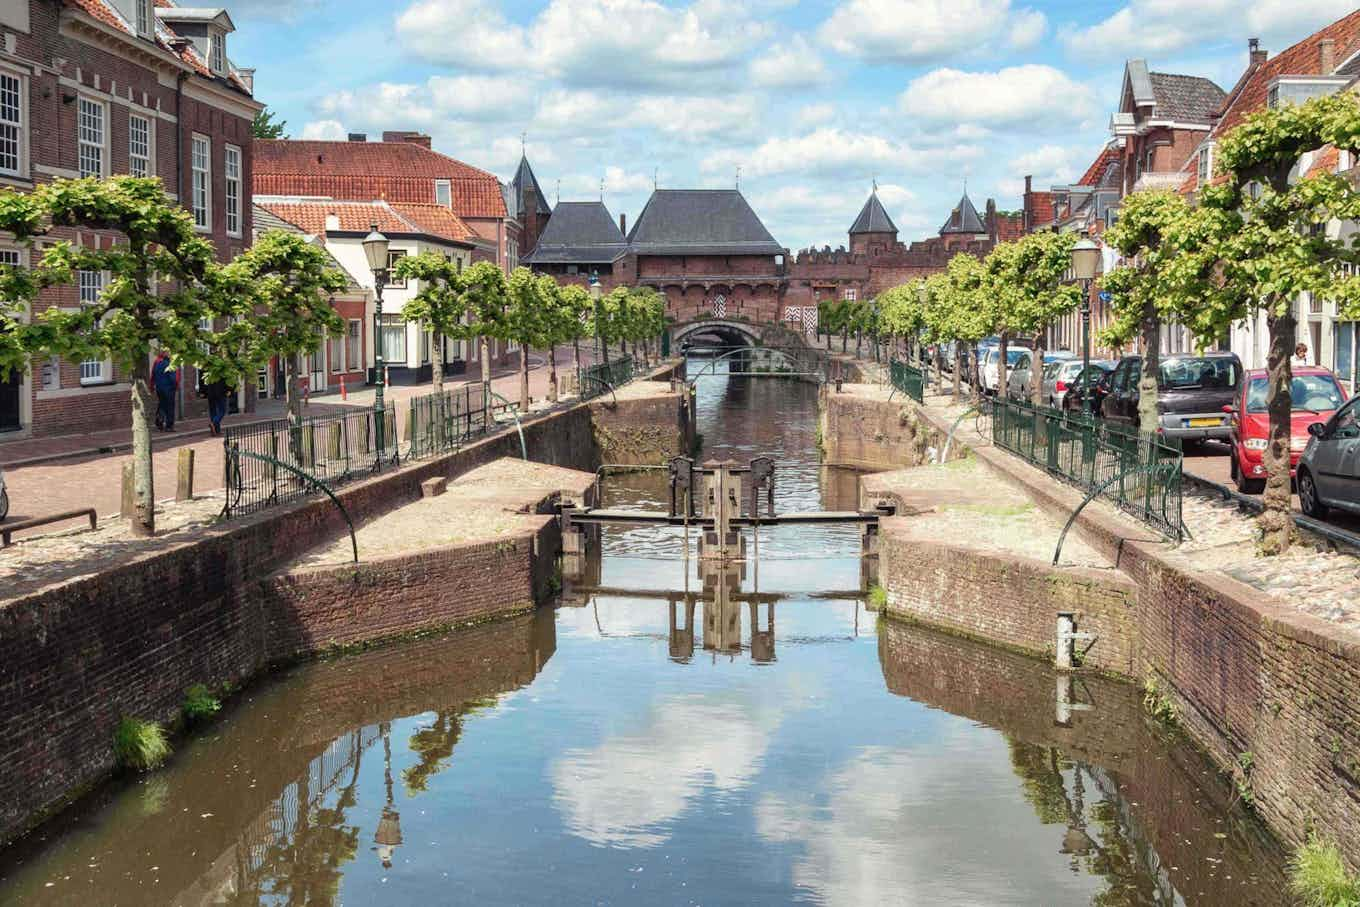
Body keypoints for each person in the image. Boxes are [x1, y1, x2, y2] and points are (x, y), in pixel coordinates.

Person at [151, 352, 178, 431]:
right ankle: (169, 426)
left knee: (162, 405)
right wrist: (175, 386)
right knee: (170, 407)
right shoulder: (170, 364)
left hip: (159, 388)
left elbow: (153, 375)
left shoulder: (157, 364)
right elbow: (173, 379)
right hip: (168, 389)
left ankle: (159, 419)